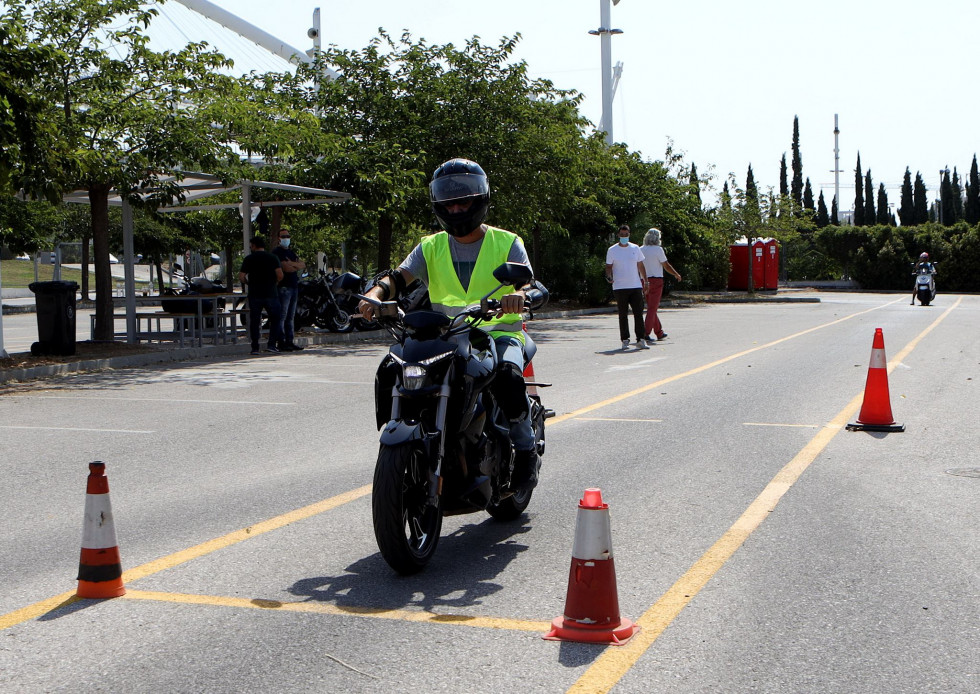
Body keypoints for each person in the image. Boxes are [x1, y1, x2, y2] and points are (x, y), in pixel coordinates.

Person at [358, 158, 541, 492]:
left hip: (498, 332)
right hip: (448, 333)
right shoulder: (431, 246)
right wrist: (375, 294)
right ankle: (408, 434)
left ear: (481, 199)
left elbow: (528, 283)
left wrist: (519, 296)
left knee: (507, 376)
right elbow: (398, 277)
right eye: (449, 201)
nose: (456, 208)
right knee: (393, 365)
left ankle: (526, 450)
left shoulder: (507, 242)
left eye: (464, 200)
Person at [605, 224, 650, 350]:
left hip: (635, 286)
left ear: (629, 235)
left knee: (638, 313)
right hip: (619, 287)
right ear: (618, 235)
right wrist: (609, 277)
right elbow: (608, 267)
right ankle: (625, 339)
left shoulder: (635, 248)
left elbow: (640, 265)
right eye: (622, 235)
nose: (624, 237)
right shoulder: (612, 250)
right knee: (623, 314)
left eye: (626, 235)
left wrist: (646, 281)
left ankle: (641, 339)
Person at [238, 236, 284, 355]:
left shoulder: (249, 259)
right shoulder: (273, 258)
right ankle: (272, 344)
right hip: (271, 293)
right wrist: (275, 283)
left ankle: (255, 347)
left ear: (253, 245)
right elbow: (280, 275)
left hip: (255, 293)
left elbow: (242, 276)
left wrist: (248, 283)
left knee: (255, 320)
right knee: (275, 318)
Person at [641, 228, 682, 342]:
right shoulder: (658, 250)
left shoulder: (640, 249)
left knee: (651, 307)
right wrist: (676, 274)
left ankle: (659, 332)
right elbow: (666, 265)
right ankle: (645, 332)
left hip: (644, 280)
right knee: (652, 308)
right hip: (656, 280)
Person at [272, 227, 306, 351]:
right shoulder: (277, 252)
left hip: (294, 286)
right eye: (283, 236)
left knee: (291, 316)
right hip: (283, 287)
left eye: (288, 236)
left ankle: (290, 341)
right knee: (283, 315)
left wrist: (293, 264)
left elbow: (302, 264)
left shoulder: (291, 253)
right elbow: (286, 268)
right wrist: (293, 265)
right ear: (278, 238)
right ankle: (281, 341)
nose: (286, 239)